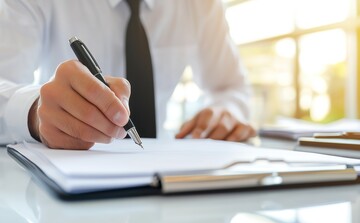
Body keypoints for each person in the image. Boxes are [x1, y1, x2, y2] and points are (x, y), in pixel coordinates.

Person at [0, 0, 256, 150]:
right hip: (73, 168)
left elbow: (230, 87)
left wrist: (226, 111)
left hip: (167, 171)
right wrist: (34, 111)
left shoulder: (201, 5)